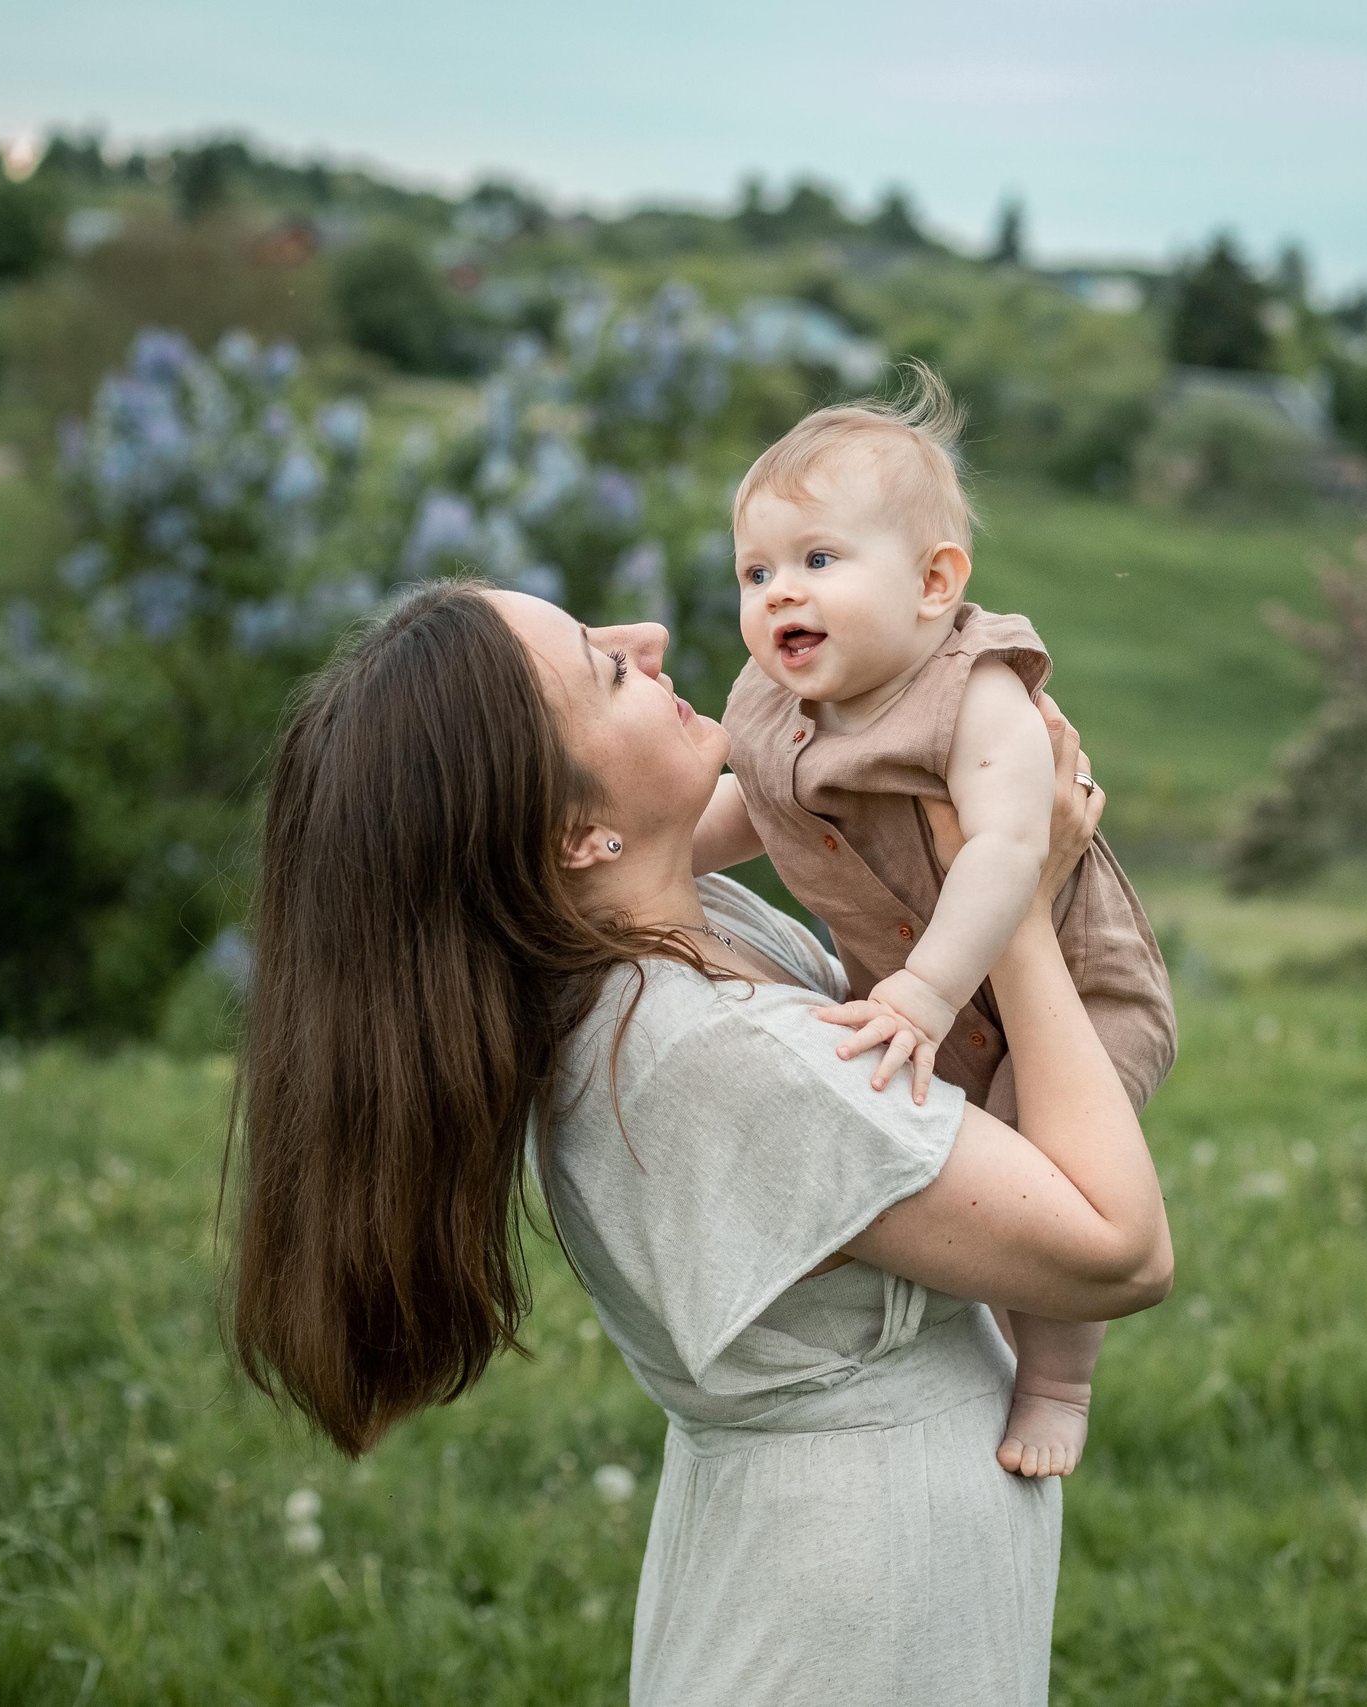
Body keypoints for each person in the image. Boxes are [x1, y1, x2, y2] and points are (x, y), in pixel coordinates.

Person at [223, 581, 1171, 1705]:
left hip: (872, 1571)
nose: (652, 640)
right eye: (605, 668)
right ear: (580, 835)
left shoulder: (694, 933)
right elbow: (1118, 1249)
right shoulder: (701, 1054)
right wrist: (1012, 893)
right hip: (851, 1626)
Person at [693, 365, 1177, 1478]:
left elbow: (1009, 848)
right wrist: (659, 849)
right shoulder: (777, 705)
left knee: (1043, 1167)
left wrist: (917, 990)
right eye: (755, 571)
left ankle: (1057, 1381)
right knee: (970, 1179)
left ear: (932, 582)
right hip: (940, 1001)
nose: (779, 595)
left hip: (1072, 989)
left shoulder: (974, 687)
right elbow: (750, 812)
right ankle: (975, 1332)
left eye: (818, 561)